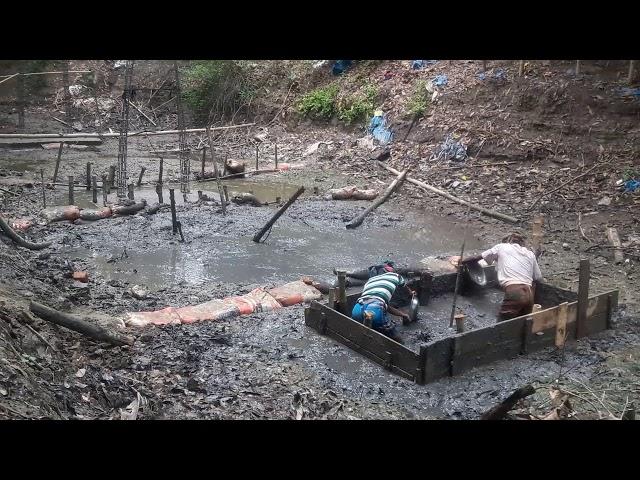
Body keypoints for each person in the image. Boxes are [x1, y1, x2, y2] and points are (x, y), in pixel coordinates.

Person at [461, 232, 543, 321]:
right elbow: (538, 278)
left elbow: (477, 258)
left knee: (502, 326)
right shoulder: (530, 254)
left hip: (515, 292)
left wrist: (462, 261)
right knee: (523, 325)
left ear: (507, 242)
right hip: (530, 294)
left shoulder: (502, 247)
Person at [351, 264, 412, 343]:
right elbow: (405, 287)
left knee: (364, 336)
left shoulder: (370, 280)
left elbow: (386, 307)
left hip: (357, 309)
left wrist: (403, 315)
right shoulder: (396, 276)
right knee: (397, 341)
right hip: (375, 310)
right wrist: (411, 293)